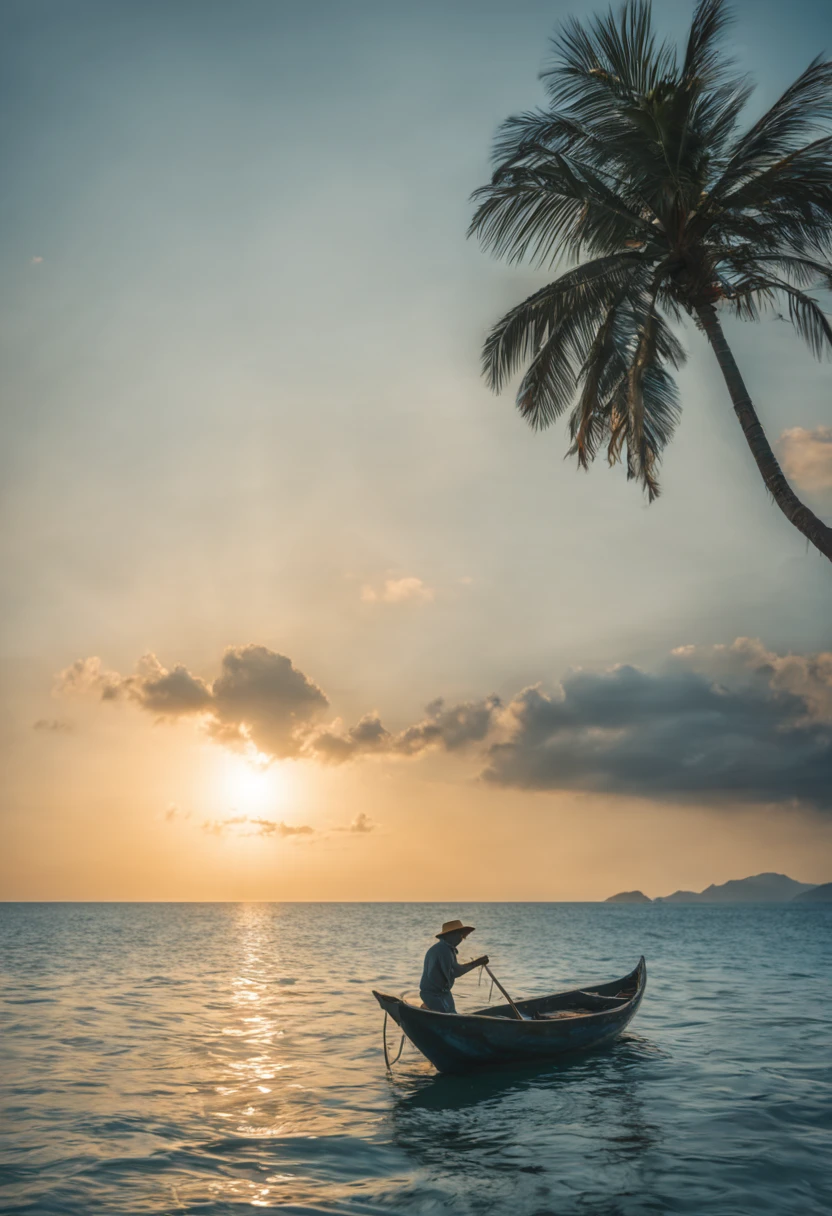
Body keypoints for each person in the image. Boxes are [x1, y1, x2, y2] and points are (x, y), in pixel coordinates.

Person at [419, 919, 489, 1013]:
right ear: (450, 935)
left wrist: (477, 962)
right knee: (448, 1016)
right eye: (460, 935)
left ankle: (427, 1009)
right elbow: (455, 972)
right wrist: (477, 963)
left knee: (453, 1014)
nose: (462, 938)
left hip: (443, 993)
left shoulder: (446, 949)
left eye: (463, 936)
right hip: (434, 995)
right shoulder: (443, 950)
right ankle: (427, 1008)